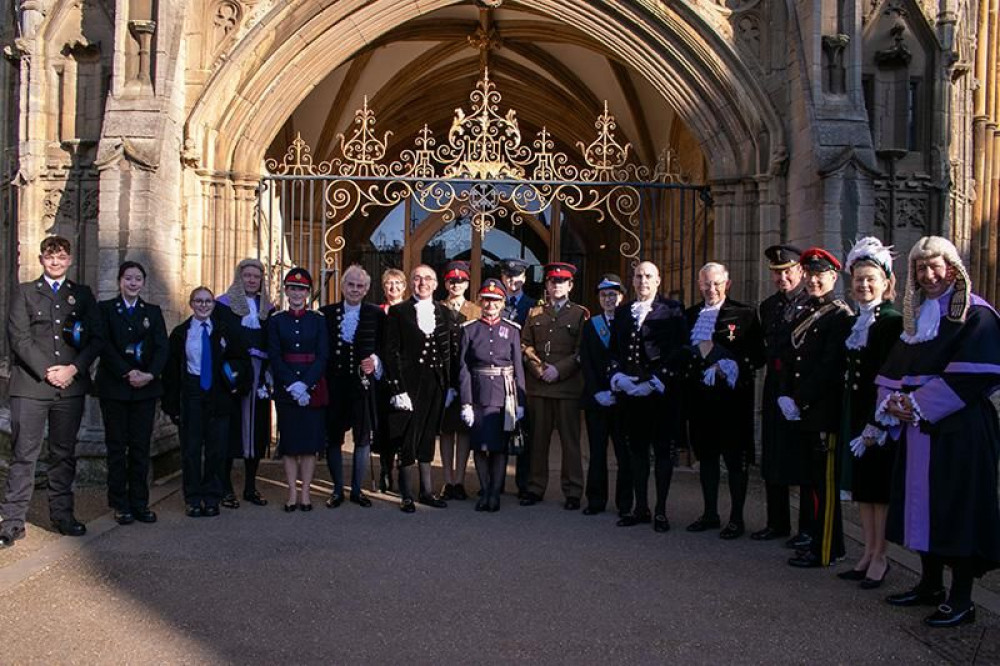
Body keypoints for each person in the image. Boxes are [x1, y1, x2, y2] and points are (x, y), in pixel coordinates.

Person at [877, 236, 1000, 628]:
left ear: (953, 268)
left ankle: (961, 599)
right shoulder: (917, 317)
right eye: (920, 268)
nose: (928, 275)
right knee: (923, 507)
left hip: (960, 430)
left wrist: (915, 405)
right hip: (919, 430)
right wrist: (890, 403)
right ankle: (929, 584)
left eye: (935, 266)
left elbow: (972, 377)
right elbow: (895, 369)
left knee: (957, 509)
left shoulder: (977, 316)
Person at [0, 236, 103, 548]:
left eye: (60, 257)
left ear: (69, 260)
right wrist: (49, 371)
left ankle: (63, 515)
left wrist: (72, 370)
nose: (55, 262)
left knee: (63, 454)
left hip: (68, 388)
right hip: (31, 386)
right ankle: (13, 522)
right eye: (50, 257)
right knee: (23, 456)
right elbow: (18, 337)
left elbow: (96, 338)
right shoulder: (25, 292)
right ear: (42, 259)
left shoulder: (81, 295)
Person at [679, 262, 765, 539]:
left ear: (727, 284)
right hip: (700, 401)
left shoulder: (745, 314)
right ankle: (709, 514)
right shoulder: (690, 314)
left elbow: (758, 355)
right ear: (699, 284)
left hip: (732, 402)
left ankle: (737, 519)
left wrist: (728, 365)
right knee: (707, 459)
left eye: (716, 283)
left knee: (735, 461)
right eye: (706, 283)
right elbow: (683, 353)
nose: (711, 288)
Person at [834, 238, 901, 588]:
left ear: (886, 282)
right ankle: (867, 551)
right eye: (858, 278)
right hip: (856, 415)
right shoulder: (854, 321)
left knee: (878, 488)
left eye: (870, 278)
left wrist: (878, 421)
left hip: (880, 420)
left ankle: (881, 555)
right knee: (862, 488)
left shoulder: (892, 322)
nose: (863, 285)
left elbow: (892, 377)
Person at [780, 248, 853, 568]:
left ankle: (827, 549)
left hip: (822, 411)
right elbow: (789, 357)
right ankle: (811, 536)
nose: (812, 280)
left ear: (833, 277)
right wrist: (785, 394)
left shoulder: (839, 315)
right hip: (803, 409)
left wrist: (800, 399)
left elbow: (829, 367)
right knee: (809, 481)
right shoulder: (803, 309)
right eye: (808, 274)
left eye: (819, 275)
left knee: (824, 485)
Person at [609, 261, 687, 532]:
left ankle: (661, 511)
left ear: (658, 280)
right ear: (633, 281)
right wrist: (617, 375)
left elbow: (681, 349)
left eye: (648, 276)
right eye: (639, 276)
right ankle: (640, 508)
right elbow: (615, 350)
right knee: (636, 451)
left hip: (659, 393)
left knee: (662, 451)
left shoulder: (672, 310)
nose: (643, 281)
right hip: (631, 391)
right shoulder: (622, 312)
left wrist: (657, 380)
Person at [162, 287, 250, 517]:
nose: (203, 305)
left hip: (218, 396)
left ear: (213, 304)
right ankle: (192, 498)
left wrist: (234, 382)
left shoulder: (225, 331)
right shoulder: (181, 333)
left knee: (216, 450)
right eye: (198, 301)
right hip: (191, 394)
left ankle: (212, 497)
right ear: (191, 304)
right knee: (191, 451)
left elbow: (241, 360)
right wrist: (171, 404)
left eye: (208, 302)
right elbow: (171, 371)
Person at [94, 260, 169, 525]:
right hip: (115, 387)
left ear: (143, 283)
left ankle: (140, 502)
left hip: (145, 390)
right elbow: (103, 345)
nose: (133, 283)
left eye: (138, 279)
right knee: (117, 448)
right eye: (128, 278)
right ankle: (119, 503)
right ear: (119, 281)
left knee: (140, 447)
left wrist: (149, 374)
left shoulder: (153, 311)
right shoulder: (105, 310)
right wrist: (127, 373)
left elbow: (162, 347)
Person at [752, 244, 813, 544]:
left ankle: (806, 528)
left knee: (801, 461)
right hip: (774, 388)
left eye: (787, 271)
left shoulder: (812, 305)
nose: (782, 278)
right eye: (776, 273)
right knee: (773, 455)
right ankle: (777, 522)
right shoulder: (768, 307)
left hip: (800, 390)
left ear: (800, 270)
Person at [383, 264, 453, 512]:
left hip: (436, 383)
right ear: (411, 283)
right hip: (409, 384)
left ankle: (427, 490)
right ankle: (407, 493)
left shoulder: (444, 313)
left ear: (435, 284)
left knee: (427, 437)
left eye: (428, 279)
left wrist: (451, 385)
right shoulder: (399, 312)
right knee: (408, 437)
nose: (422, 283)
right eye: (417, 278)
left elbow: (450, 351)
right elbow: (391, 352)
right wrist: (398, 389)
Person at [520, 262, 588, 510]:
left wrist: (559, 370)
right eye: (552, 282)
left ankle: (572, 491)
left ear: (570, 285)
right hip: (539, 387)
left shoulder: (580, 314)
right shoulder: (535, 314)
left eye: (561, 282)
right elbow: (525, 345)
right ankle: (536, 487)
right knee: (538, 441)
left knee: (570, 443)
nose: (556, 285)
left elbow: (581, 351)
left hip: (567, 387)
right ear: (546, 285)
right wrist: (539, 369)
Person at [458, 279, 526, 512]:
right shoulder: (469, 330)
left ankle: (495, 494)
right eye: (487, 300)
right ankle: (484, 490)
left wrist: (520, 402)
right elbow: (464, 368)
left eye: (495, 301)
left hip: (502, 396)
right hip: (477, 395)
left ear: (502, 303)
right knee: (479, 446)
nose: (490, 305)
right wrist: (465, 402)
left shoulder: (512, 331)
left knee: (498, 447)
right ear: (480, 301)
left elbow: (518, 367)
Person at [319, 265, 385, 508]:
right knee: (334, 437)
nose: (355, 290)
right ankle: (337, 489)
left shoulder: (376, 314)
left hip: (362, 386)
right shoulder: (325, 313)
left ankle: (357, 490)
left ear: (367, 289)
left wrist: (376, 361)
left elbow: (384, 345)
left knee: (362, 438)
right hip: (335, 385)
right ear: (343, 286)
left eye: (360, 286)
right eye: (351, 285)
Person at [267, 268, 329, 512]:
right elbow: (274, 354)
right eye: (293, 288)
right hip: (286, 389)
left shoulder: (318, 320)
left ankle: (306, 493)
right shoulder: (276, 321)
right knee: (290, 444)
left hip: (311, 388)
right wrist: (292, 384)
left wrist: (307, 383)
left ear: (308, 293)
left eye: (302, 289)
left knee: (309, 444)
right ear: (286, 290)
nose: (297, 293)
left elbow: (323, 355)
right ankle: (292, 492)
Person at [215, 258, 274, 509]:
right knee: (232, 431)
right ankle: (226, 488)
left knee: (257, 432)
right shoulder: (223, 305)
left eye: (256, 277)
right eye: (247, 276)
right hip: (234, 374)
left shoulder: (268, 309)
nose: (251, 280)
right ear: (239, 277)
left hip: (259, 376)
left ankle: (250, 486)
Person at [580, 273, 632, 517]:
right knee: (597, 452)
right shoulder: (591, 326)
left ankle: (624, 503)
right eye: (604, 295)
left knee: (624, 453)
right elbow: (587, 363)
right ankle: (596, 500)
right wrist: (597, 392)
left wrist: (621, 388)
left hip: (624, 398)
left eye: (613, 294)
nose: (609, 299)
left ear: (621, 296)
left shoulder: (631, 322)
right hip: (598, 399)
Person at [438, 260, 481, 500]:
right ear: (446, 283)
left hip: (467, 377)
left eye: (461, 280)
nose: (456, 284)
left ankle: (460, 480)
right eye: (452, 280)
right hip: (444, 378)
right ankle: (447, 480)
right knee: (446, 431)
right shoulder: (437, 308)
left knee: (464, 431)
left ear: (467, 283)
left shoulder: (475, 310)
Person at [500, 257, 534, 499]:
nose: (513, 280)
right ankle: (496, 482)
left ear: (525, 278)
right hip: (499, 376)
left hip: (525, 376)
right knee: (498, 430)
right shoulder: (493, 303)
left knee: (524, 431)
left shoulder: (533, 306)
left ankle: (524, 484)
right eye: (508, 276)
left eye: (517, 276)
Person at [376, 268, 407, 493]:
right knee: (384, 427)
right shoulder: (377, 311)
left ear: (404, 287)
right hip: (383, 376)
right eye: (389, 284)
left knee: (403, 426)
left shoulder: (410, 310)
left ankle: (403, 470)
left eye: (397, 283)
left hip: (406, 376)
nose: (393, 288)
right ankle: (385, 470)